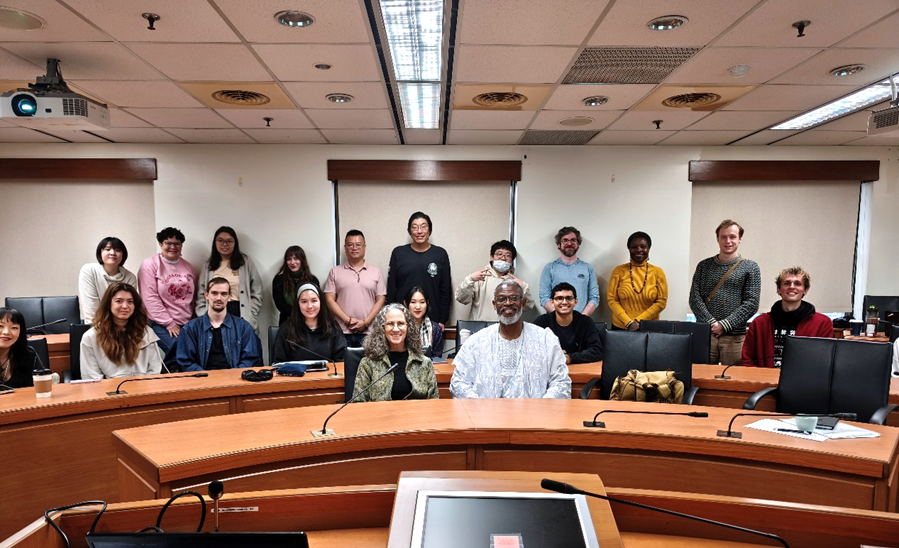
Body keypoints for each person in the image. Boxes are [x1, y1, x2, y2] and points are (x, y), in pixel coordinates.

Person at [450, 281, 571, 399]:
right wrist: (480, 407)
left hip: (534, 416)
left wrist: (540, 408)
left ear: (523, 302)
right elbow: (458, 383)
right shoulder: (475, 342)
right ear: (494, 304)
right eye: (501, 299)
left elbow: (561, 383)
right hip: (485, 416)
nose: (508, 303)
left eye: (514, 298)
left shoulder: (545, 340)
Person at [689, 219, 761, 365]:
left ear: (740, 239)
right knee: (701, 378)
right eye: (723, 237)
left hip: (734, 338)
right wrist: (711, 323)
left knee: (732, 379)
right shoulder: (704, 266)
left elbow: (752, 303)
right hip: (706, 335)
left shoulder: (751, 267)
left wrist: (725, 324)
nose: (728, 241)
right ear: (717, 239)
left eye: (733, 237)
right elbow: (694, 298)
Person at [742, 267, 833, 368]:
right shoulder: (760, 323)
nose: (792, 287)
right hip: (766, 380)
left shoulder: (822, 323)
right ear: (778, 289)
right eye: (787, 283)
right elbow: (748, 359)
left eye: (798, 284)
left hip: (804, 382)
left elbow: (824, 360)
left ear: (805, 290)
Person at [353, 303, 438, 402]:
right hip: (380, 416)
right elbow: (358, 403)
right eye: (390, 324)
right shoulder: (368, 363)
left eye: (401, 323)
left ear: (408, 327)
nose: (396, 329)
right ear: (382, 328)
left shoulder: (424, 362)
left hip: (416, 416)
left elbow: (434, 401)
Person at [175, 277, 262, 371]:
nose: (219, 298)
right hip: (202, 380)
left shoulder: (243, 327)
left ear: (229, 297)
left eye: (224, 294)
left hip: (234, 380)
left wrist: (233, 377)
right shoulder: (190, 328)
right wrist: (205, 377)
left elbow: (250, 359)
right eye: (214, 293)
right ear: (206, 295)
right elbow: (185, 362)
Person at [80, 283, 164, 379]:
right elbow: (91, 377)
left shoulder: (146, 333)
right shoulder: (90, 337)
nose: (125, 306)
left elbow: (154, 370)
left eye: (130, 302)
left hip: (143, 388)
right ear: (108, 304)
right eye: (119, 301)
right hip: (108, 391)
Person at [138, 227, 196, 356]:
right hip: (160, 323)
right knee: (180, 352)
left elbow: (193, 298)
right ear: (160, 244)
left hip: (187, 322)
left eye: (177, 243)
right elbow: (149, 298)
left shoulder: (188, 267)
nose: (173, 247)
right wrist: (169, 323)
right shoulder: (150, 265)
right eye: (168, 243)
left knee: (195, 351)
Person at [386, 212, 452, 327]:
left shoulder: (440, 254)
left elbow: (445, 289)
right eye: (415, 227)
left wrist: (442, 319)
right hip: (402, 321)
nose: (419, 231)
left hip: (432, 320)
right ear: (409, 231)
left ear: (429, 231)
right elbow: (392, 288)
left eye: (423, 227)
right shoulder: (398, 253)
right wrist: (391, 316)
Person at [324, 230, 387, 347]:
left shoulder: (376, 272)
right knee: (342, 364)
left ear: (364, 247)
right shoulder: (335, 272)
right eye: (350, 245)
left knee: (369, 365)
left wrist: (366, 322)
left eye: (358, 244)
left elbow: (381, 300)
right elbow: (329, 300)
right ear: (345, 247)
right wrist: (348, 320)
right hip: (341, 332)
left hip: (369, 332)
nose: (354, 248)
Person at [196, 226, 263, 335]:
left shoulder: (245, 262)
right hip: (215, 311)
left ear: (235, 243)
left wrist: (252, 312)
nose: (225, 245)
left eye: (229, 241)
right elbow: (201, 293)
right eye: (220, 241)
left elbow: (257, 290)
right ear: (215, 242)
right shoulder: (209, 265)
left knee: (242, 347)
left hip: (239, 310)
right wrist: (203, 313)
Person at [455, 239, 534, 321]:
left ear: (512, 261)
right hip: (480, 328)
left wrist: (524, 287)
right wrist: (469, 279)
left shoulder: (515, 283)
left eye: (508, 256)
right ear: (492, 257)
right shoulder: (479, 278)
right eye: (499, 254)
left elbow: (528, 306)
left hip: (507, 330)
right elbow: (461, 299)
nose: (503, 258)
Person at [607, 231, 668, 330]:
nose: (638, 250)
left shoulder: (658, 272)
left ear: (648, 249)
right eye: (634, 247)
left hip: (649, 327)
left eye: (643, 246)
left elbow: (661, 302)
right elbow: (612, 300)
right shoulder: (618, 271)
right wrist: (628, 322)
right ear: (629, 249)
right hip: (621, 327)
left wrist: (638, 321)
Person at [273, 284, 346, 363]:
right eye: (304, 302)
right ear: (298, 304)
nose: (309, 306)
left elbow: (341, 362)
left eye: (314, 301)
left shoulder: (333, 328)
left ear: (321, 302)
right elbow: (278, 363)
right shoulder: (286, 329)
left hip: (327, 375)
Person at [534, 282, 602, 364]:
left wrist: (569, 358)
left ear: (575, 302)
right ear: (552, 302)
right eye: (559, 298)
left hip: (579, 371)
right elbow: (531, 349)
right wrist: (554, 356)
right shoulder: (541, 322)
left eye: (569, 298)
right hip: (549, 371)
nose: (564, 302)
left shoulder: (585, 322)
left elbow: (597, 351)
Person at [539, 226, 599, 316]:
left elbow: (594, 298)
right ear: (559, 244)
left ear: (578, 244)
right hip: (555, 323)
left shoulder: (588, 268)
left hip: (581, 323)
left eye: (573, 240)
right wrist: (560, 317)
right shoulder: (549, 268)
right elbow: (544, 298)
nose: (569, 243)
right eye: (565, 240)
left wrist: (581, 319)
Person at [78, 237, 138, 323]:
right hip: (93, 323)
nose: (112, 253)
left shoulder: (130, 277)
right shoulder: (89, 271)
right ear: (100, 253)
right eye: (107, 249)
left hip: (120, 324)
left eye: (117, 250)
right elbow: (90, 308)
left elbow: (127, 308)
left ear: (123, 255)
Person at [273, 246, 320, 327]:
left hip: (309, 323)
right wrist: (301, 311)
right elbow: (280, 305)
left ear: (302, 260)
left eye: (296, 259)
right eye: (289, 259)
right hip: (287, 323)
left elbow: (316, 303)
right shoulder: (279, 280)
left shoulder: (312, 280)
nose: (292, 262)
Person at [0, 308, 44, 389]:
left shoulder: (28, 355)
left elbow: (42, 387)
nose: (6, 332)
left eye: (14, 328)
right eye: (0, 326)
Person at [404, 286, 444, 357]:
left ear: (427, 303)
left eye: (422, 302)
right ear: (406, 304)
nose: (418, 306)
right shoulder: (400, 327)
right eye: (413, 302)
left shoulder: (436, 329)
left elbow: (437, 357)